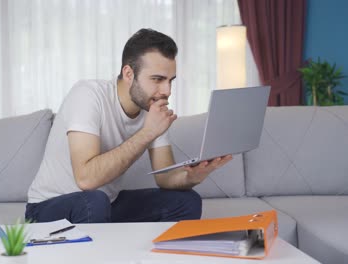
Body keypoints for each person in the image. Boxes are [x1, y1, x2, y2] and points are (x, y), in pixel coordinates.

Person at [26, 28, 232, 223]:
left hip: (105, 205)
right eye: (157, 79)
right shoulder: (88, 95)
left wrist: (192, 176)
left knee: (187, 201)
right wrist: (147, 133)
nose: (167, 91)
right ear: (128, 74)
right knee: (93, 201)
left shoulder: (152, 107)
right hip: (47, 208)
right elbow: (86, 180)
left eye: (171, 80)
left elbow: (165, 177)